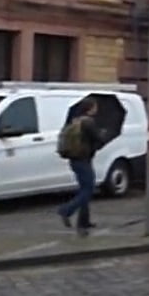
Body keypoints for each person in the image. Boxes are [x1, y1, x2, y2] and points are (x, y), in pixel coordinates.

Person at [55, 98, 109, 233]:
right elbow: (99, 139)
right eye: (95, 107)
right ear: (90, 108)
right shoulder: (88, 123)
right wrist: (103, 134)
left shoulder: (76, 121)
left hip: (75, 159)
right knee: (88, 189)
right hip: (83, 160)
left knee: (84, 189)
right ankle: (66, 210)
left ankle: (83, 221)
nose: (96, 109)